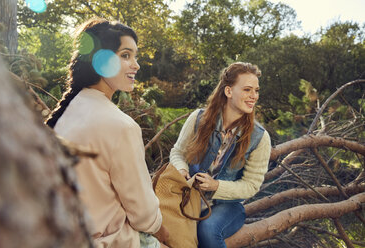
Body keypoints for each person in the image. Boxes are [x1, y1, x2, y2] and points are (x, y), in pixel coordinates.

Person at [46, 17, 168, 248]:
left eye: (135, 56)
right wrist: (164, 232)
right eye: (125, 55)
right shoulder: (121, 126)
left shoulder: (65, 112)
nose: (136, 64)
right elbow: (144, 215)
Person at [170, 62, 271, 248]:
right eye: (247, 89)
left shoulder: (260, 137)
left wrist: (216, 186)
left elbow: (251, 185)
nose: (254, 96)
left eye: (256, 90)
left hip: (228, 207)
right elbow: (178, 152)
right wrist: (182, 170)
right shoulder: (198, 119)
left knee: (207, 230)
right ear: (228, 91)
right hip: (189, 197)